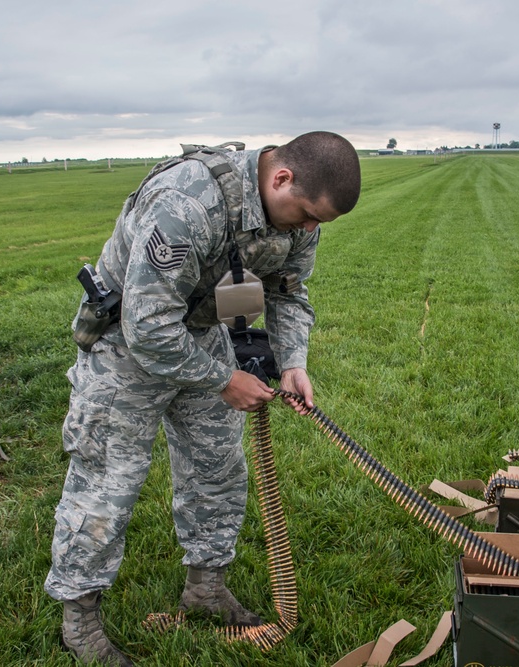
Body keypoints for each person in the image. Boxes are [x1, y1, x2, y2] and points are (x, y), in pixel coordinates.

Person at [44, 131, 362, 666]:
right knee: (108, 481)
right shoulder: (186, 201)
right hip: (126, 344)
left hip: (199, 334)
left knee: (217, 466)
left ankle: (206, 588)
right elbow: (146, 326)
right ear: (281, 178)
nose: (310, 229)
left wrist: (293, 362)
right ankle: (79, 621)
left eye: (319, 223)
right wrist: (223, 380)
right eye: (307, 214)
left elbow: (287, 290)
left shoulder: (300, 217)